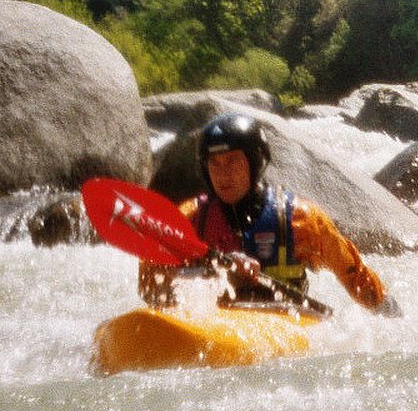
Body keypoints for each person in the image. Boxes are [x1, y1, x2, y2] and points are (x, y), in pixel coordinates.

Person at [138, 113, 399, 317]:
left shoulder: (301, 220)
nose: (222, 174)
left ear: (254, 163)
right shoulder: (189, 218)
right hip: (217, 320)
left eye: (233, 162)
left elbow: (355, 276)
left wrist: (391, 317)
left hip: (282, 317)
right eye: (214, 164)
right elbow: (149, 288)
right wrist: (211, 269)